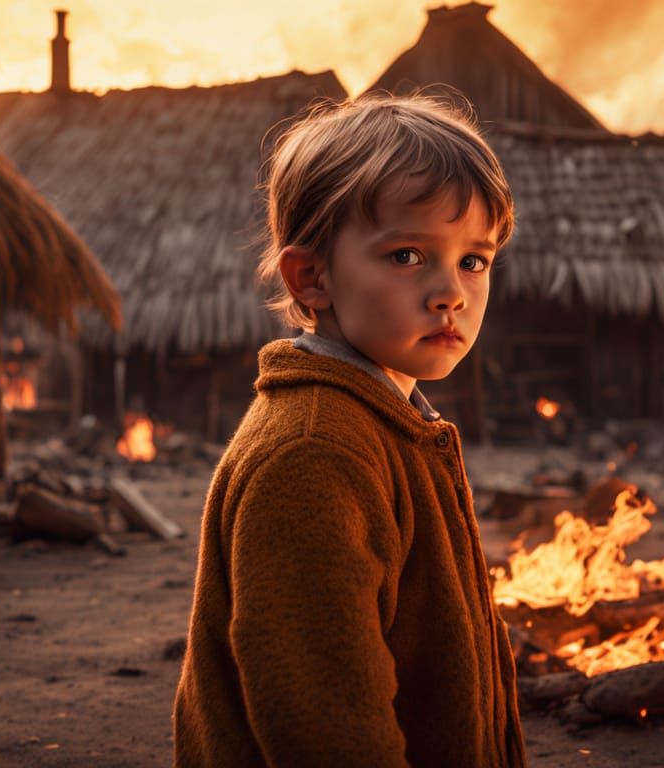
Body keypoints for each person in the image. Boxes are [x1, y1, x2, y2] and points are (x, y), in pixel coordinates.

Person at [173, 93, 525, 768]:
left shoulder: (386, 419)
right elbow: (324, 722)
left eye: (474, 260)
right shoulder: (314, 454)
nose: (450, 291)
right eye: (406, 256)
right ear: (312, 277)